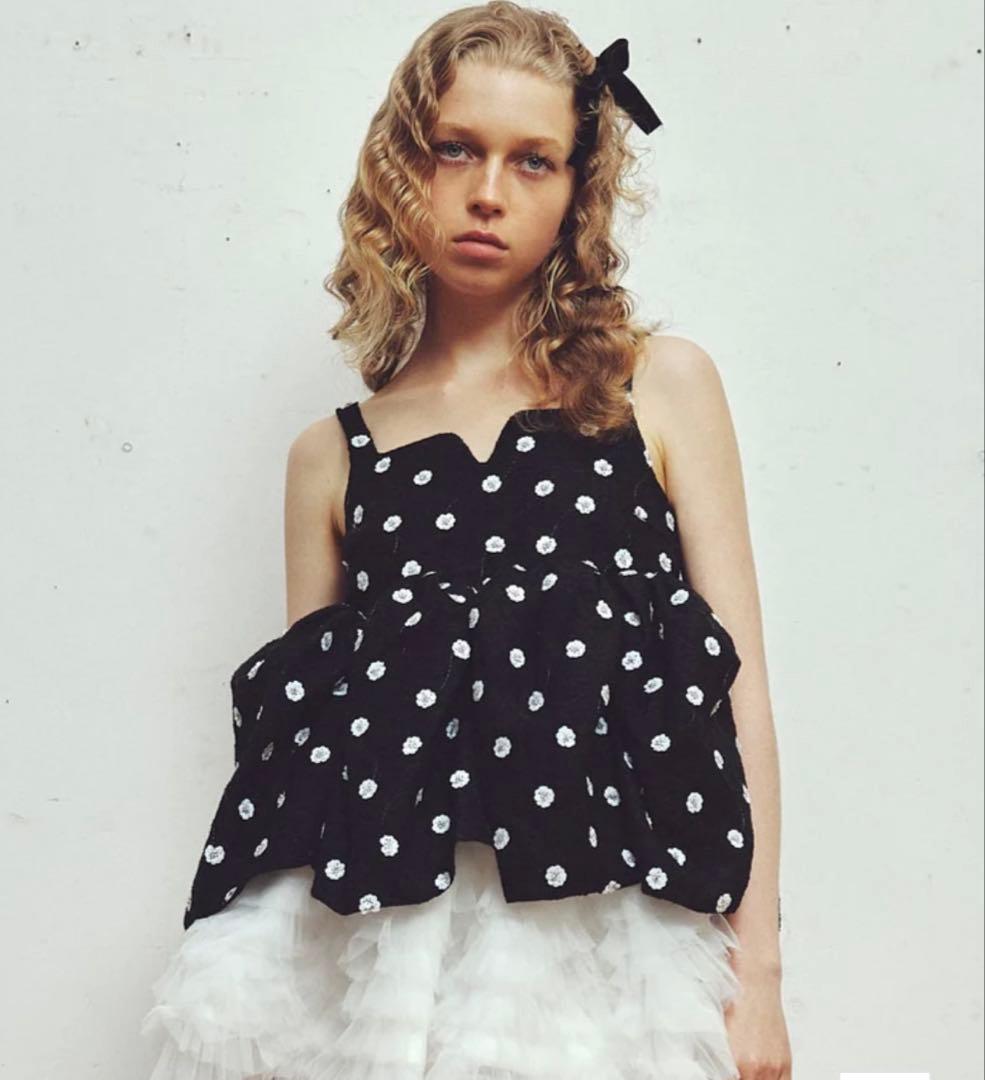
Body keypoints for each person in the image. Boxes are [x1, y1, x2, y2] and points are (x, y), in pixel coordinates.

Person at [140, 3, 791, 1077]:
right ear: (405, 164)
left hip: (617, 941)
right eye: (456, 149)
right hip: (384, 968)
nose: (489, 192)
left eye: (534, 161)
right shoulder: (332, 456)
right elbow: (313, 760)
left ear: (577, 188)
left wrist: (755, 974)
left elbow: (739, 691)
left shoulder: (656, 387)